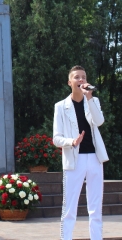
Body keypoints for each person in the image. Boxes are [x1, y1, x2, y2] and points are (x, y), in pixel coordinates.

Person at [53, 66, 109, 240]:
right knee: (69, 208)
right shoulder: (61, 106)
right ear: (69, 82)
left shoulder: (93, 101)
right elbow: (56, 138)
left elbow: (99, 121)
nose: (81, 80)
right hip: (73, 159)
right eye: (77, 77)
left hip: (94, 158)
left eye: (83, 77)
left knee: (95, 207)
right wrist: (71, 142)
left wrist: (89, 98)